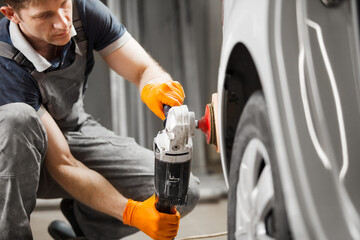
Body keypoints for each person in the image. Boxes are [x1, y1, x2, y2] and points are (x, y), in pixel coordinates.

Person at [0, 0, 200, 239]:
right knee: (18, 119)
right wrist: (131, 213)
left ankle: (87, 224)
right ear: (12, 14)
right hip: (14, 155)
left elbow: (142, 69)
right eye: (44, 15)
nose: (63, 22)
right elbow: (63, 163)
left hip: (73, 132)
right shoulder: (4, 61)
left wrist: (156, 86)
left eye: (64, 4)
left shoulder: (84, 12)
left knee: (181, 192)